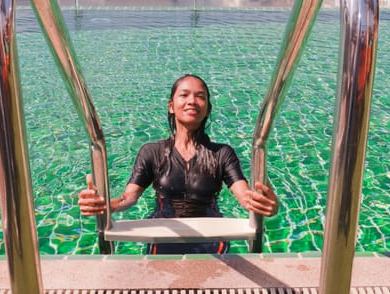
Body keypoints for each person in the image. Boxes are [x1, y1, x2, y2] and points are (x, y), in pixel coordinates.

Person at [78, 74, 279, 254]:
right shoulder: (152, 152)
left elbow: (245, 197)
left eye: (200, 96)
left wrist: (265, 203)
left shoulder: (222, 154)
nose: (192, 101)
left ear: (208, 108)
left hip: (211, 236)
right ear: (171, 106)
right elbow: (128, 198)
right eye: (184, 95)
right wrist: (105, 206)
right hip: (163, 233)